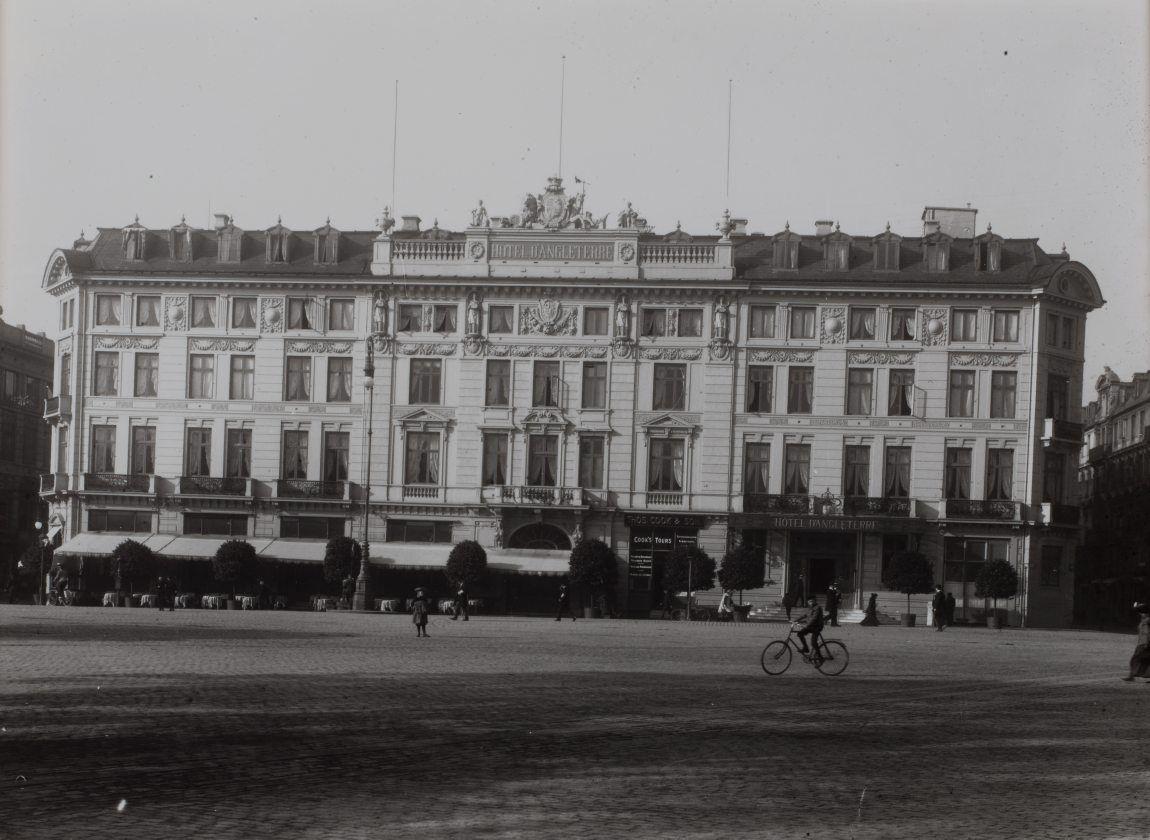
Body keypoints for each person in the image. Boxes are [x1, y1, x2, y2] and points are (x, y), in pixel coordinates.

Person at [1122, 602, 1150, 682]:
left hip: (1145, 643)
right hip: (1143, 643)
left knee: (1135, 659)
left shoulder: (1147, 621)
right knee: (1145, 660)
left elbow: (1147, 633)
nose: (1140, 614)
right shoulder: (1145, 620)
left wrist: (1147, 643)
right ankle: (1132, 676)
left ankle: (1131, 676)